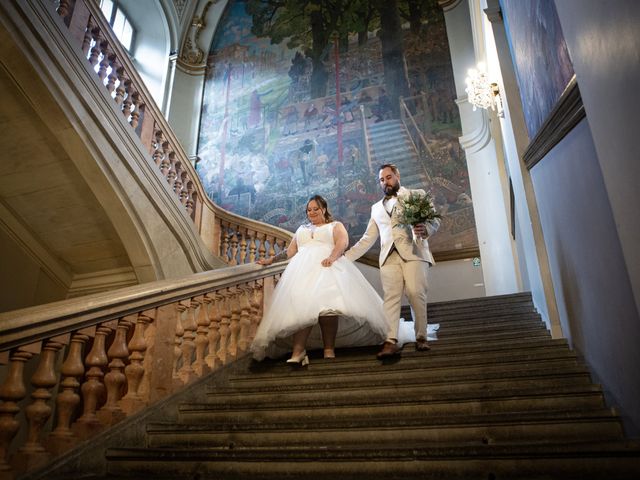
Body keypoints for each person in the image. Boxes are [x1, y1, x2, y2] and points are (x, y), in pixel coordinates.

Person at [250, 195, 387, 364]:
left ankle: (329, 349)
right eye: (309, 210)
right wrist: (270, 260)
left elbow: (342, 243)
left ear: (323, 209)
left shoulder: (335, 225)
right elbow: (290, 251)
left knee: (328, 309)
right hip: (303, 273)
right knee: (301, 310)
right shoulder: (301, 229)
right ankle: (298, 351)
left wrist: (332, 257)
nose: (312, 212)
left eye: (316, 209)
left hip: (327, 268)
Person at [345, 164, 441, 359]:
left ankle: (421, 336)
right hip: (388, 257)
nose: (385, 182)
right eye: (381, 180)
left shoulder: (417, 195)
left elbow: (435, 220)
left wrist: (426, 229)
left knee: (415, 293)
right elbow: (367, 239)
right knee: (390, 299)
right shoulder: (375, 209)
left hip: (414, 252)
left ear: (397, 176)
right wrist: (344, 258)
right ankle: (390, 341)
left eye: (388, 177)